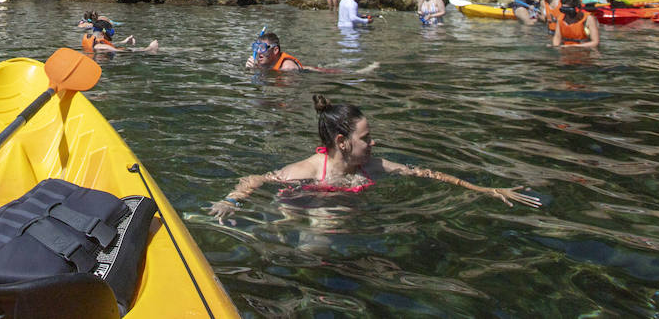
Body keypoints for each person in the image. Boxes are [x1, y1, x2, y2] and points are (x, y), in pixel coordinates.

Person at [208, 93, 540, 223]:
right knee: (323, 232)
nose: (373, 142)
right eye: (365, 138)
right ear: (342, 142)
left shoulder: (375, 166)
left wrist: (485, 191)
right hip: (301, 208)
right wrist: (231, 201)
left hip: (347, 213)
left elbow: (428, 174)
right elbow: (257, 179)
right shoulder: (307, 170)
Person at [247, 32, 331, 72]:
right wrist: (254, 69)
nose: (258, 52)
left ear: (275, 50)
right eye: (256, 47)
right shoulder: (263, 61)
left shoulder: (288, 67)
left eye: (262, 48)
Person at [81, 16, 159, 54]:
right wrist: (150, 48)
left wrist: (124, 42)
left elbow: (108, 45)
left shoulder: (94, 42)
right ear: (103, 33)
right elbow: (125, 51)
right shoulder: (103, 47)